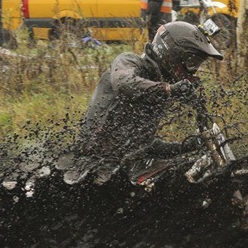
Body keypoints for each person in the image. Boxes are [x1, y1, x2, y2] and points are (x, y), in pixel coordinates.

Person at [59, 21, 223, 185]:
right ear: (173, 53)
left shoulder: (159, 86)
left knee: (186, 170)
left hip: (125, 167)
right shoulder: (130, 62)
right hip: (94, 168)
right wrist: (169, 89)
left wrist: (185, 146)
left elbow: (144, 145)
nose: (193, 70)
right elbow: (124, 83)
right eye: (191, 62)